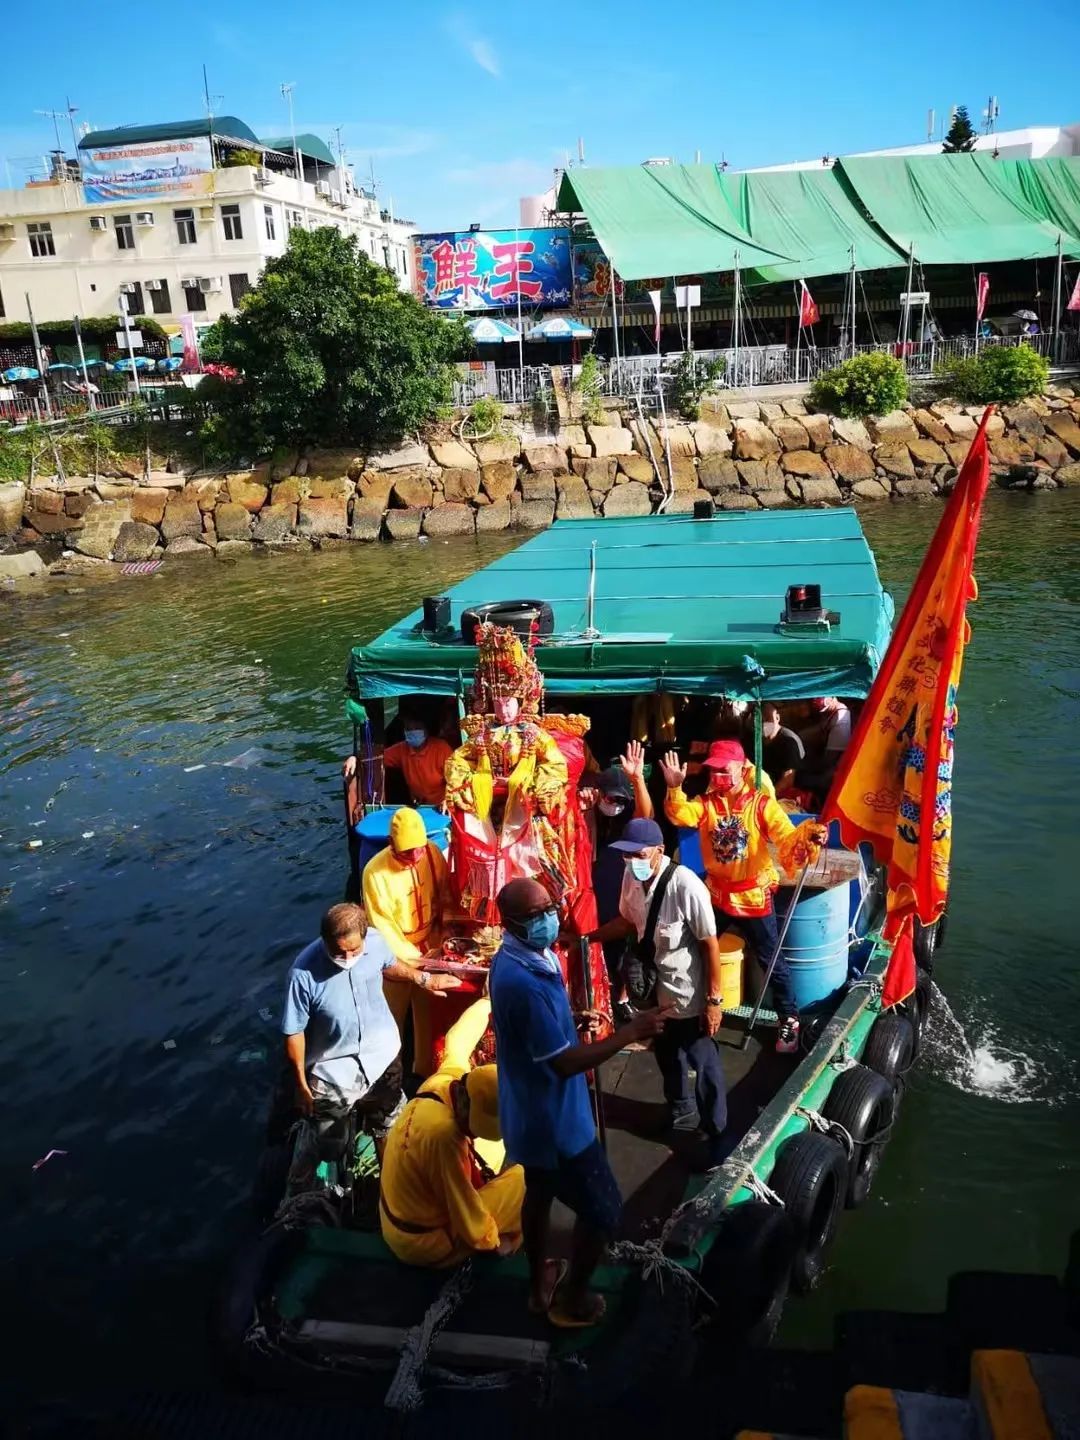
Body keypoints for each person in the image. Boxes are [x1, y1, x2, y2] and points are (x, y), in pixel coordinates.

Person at [489, 877, 669, 1326]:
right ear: (511, 924)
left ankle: (537, 1285)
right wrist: (627, 1034)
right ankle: (572, 1300)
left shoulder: (522, 958)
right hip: (555, 1125)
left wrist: (570, 1019)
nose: (548, 920)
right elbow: (565, 1064)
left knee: (539, 1192)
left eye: (550, 908)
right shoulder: (522, 985)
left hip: (529, 1114)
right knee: (604, 1211)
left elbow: (544, 1033)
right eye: (536, 916)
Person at [661, 740, 827, 1055]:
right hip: (717, 894)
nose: (719, 775)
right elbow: (681, 815)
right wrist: (674, 789)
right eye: (715, 770)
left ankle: (789, 1019)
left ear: (742, 768)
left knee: (771, 961)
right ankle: (693, 1007)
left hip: (754, 897)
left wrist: (809, 834)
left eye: (725, 769)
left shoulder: (761, 804)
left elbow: (787, 837)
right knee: (695, 949)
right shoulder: (706, 803)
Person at [585, 818, 729, 1163]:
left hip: (687, 994)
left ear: (659, 852)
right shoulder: (630, 876)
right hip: (654, 993)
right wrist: (590, 938)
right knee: (667, 1054)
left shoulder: (685, 885)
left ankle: (715, 1133)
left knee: (702, 1061)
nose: (631, 860)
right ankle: (680, 1112)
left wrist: (713, 1001)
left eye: (639, 853)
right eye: (626, 854)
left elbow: (710, 944)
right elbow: (627, 922)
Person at [281, 903, 460, 1158]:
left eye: (353, 950)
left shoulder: (376, 942)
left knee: (391, 1124)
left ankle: (390, 1170)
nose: (346, 958)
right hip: (333, 1073)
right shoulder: (302, 974)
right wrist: (300, 1083)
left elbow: (389, 964)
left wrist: (423, 978)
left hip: (382, 1057)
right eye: (337, 952)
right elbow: (294, 1031)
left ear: (364, 937)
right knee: (329, 1146)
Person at [379, 996, 524, 1267]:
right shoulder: (445, 1136)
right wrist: (492, 1243)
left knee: (495, 1149)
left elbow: (458, 1038)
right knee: (523, 1181)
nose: (475, 1133)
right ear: (466, 1102)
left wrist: (488, 1002)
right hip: (423, 1243)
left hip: (396, 1218)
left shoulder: (446, 1081)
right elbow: (467, 1216)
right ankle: (505, 1249)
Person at [444, 623, 569, 924]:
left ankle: (539, 901)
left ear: (521, 700)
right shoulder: (484, 735)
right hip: (490, 804)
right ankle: (484, 902)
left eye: (509, 702)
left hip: (523, 804)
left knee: (537, 842)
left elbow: (555, 765)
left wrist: (535, 786)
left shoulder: (533, 734)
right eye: (498, 703)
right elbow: (456, 761)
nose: (504, 709)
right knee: (468, 822)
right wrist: (466, 784)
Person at [362, 806, 451, 1036]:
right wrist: (416, 959)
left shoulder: (432, 852)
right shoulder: (374, 872)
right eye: (406, 852)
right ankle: (392, 1064)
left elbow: (445, 895)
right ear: (391, 842)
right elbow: (383, 927)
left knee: (429, 1015)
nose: (414, 858)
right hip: (396, 954)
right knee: (391, 1016)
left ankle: (422, 1068)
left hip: (431, 945)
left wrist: (443, 939)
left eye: (418, 850)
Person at [343, 709, 452, 809]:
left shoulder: (442, 749)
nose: (413, 732)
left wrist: (448, 801)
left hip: (443, 805)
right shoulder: (402, 749)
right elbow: (374, 758)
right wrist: (355, 758)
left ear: (426, 730)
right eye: (409, 729)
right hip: (419, 806)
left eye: (417, 728)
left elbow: (457, 779)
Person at [761, 702, 805, 798]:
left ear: (777, 718)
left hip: (786, 794)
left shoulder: (789, 741)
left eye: (767, 719)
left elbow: (788, 779)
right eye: (760, 721)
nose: (764, 724)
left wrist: (768, 798)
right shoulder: (758, 739)